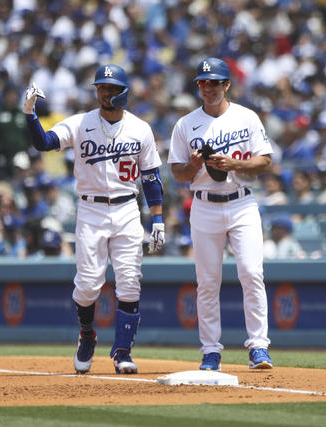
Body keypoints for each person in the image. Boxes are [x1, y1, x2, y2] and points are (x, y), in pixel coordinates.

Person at [23, 64, 165, 375]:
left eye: (112, 88)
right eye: (101, 87)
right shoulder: (81, 122)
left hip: (128, 208)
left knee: (129, 282)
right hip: (91, 209)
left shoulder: (140, 128)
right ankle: (87, 334)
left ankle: (122, 352)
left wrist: (158, 220)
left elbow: (152, 178)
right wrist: (30, 114)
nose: (106, 93)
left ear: (123, 92)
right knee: (88, 286)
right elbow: (44, 142)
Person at [167, 57, 274, 371]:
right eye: (203, 82)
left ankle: (258, 347)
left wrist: (234, 164)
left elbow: (265, 162)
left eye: (215, 82)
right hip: (204, 204)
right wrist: (195, 165)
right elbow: (177, 173)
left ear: (227, 84)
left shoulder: (246, 117)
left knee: (252, 273)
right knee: (207, 282)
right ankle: (211, 351)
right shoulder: (186, 124)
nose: (208, 87)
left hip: (242, 202)